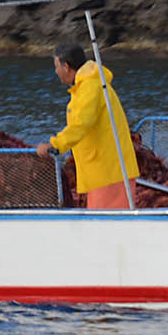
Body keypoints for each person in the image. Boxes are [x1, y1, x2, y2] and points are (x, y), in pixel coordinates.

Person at [35, 41, 139, 209]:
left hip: (108, 172)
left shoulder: (90, 86)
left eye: (56, 66)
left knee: (108, 226)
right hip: (102, 172)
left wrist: (55, 145)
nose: (56, 71)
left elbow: (81, 124)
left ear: (66, 67)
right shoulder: (86, 85)